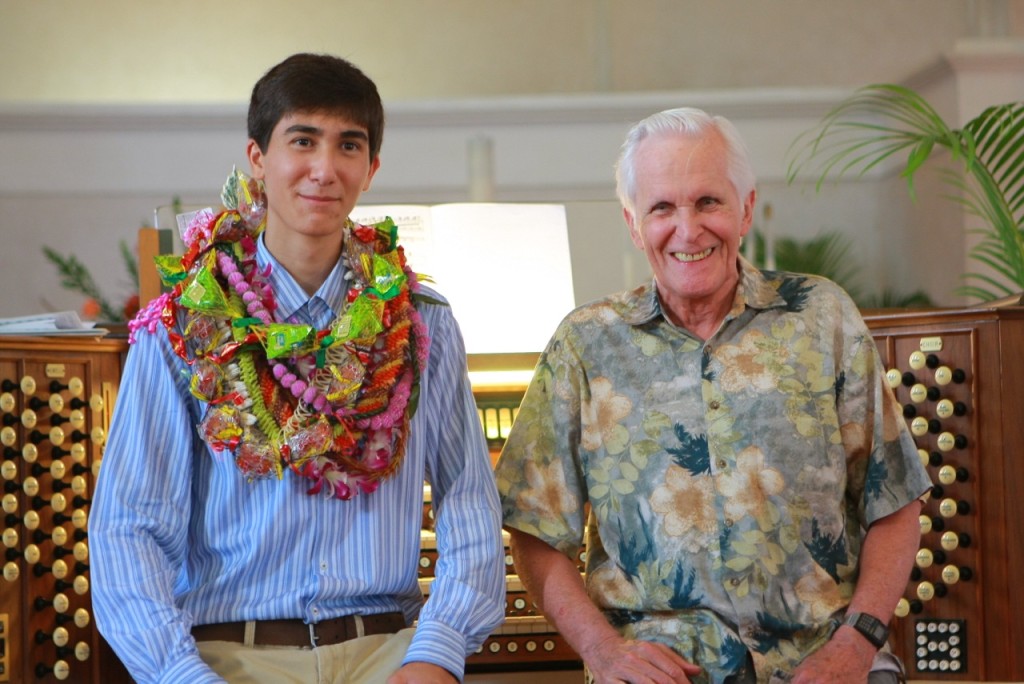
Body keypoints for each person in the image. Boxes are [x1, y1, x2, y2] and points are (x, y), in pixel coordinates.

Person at [90, 53, 506, 684]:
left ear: (371, 169)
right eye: (302, 140)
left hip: (389, 652)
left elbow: (470, 502)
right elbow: (129, 531)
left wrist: (437, 653)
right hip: (228, 657)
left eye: (348, 145)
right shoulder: (181, 325)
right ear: (258, 159)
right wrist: (181, 675)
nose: (324, 168)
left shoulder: (424, 322)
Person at [494, 107, 932, 684]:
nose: (688, 229)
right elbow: (532, 529)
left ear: (745, 207)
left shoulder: (823, 316)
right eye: (662, 208)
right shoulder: (585, 344)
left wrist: (856, 643)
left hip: (824, 663)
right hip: (659, 670)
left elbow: (895, 500)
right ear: (632, 223)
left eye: (708, 202)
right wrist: (602, 651)